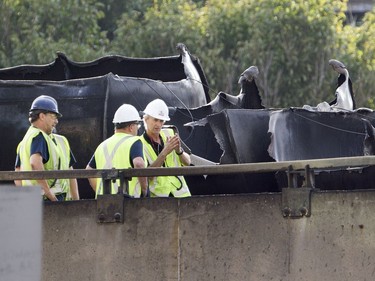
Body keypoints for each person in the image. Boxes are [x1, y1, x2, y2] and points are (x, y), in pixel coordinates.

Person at [15, 95, 79, 201]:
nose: (56, 121)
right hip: (50, 200)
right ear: (42, 116)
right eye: (53, 117)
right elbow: (35, 163)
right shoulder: (38, 136)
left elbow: (18, 173)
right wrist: (50, 195)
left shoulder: (24, 142)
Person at [86, 104, 148, 198]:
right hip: (128, 203)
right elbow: (139, 164)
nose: (137, 129)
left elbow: (89, 171)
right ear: (131, 127)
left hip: (103, 203)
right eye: (137, 125)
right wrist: (145, 190)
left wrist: (100, 192)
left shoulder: (102, 145)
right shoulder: (134, 141)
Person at [141, 99, 191, 197]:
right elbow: (147, 176)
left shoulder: (170, 133)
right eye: (155, 120)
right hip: (159, 200)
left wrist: (179, 151)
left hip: (181, 195)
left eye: (161, 121)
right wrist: (165, 152)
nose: (158, 124)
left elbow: (188, 162)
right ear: (146, 119)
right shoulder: (140, 144)